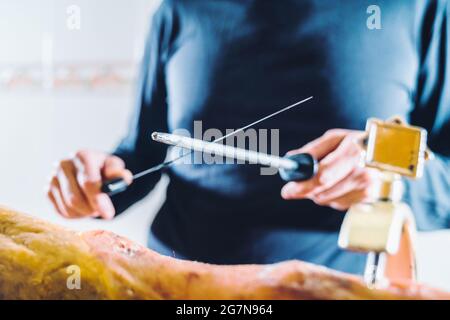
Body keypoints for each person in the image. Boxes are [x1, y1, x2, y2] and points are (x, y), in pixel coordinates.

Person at [47, 0, 449, 274]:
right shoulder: (181, 9)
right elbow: (143, 155)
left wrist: (383, 177)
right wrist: (93, 184)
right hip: (179, 284)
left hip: (332, 287)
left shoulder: (419, 9)